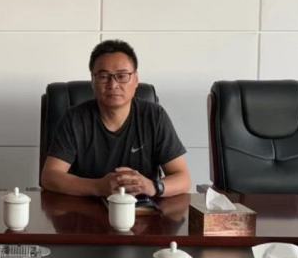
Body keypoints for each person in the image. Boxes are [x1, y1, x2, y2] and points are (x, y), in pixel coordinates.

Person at [40, 39, 191, 198]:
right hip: (85, 207)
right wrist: (98, 187)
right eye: (103, 76)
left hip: (141, 209)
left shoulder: (154, 116)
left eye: (122, 76)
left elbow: (183, 178)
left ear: (136, 79)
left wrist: (152, 187)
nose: (113, 85)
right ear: (93, 81)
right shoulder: (74, 119)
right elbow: (50, 176)